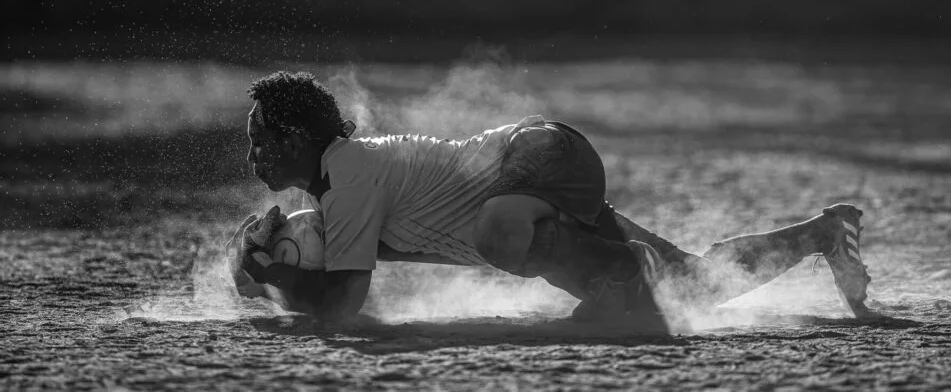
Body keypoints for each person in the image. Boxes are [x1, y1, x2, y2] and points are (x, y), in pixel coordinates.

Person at [226, 70, 872, 328]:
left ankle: (623, 276)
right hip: (540, 194)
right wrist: (271, 277)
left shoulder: (346, 174)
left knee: (499, 229)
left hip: (538, 158)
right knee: (696, 287)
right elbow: (340, 292)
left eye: (260, 142)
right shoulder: (339, 198)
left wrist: (276, 277)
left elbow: (343, 306)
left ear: (297, 138)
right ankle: (823, 231)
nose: (254, 157)